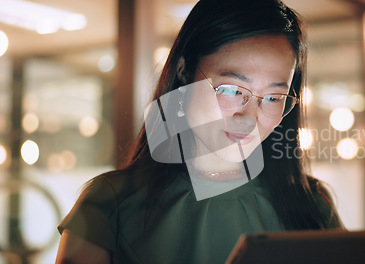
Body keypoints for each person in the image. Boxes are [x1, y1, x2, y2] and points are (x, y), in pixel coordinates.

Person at [55, 0, 344, 263]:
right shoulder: (110, 204)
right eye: (231, 89)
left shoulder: (312, 203)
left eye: (272, 98)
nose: (250, 118)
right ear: (184, 70)